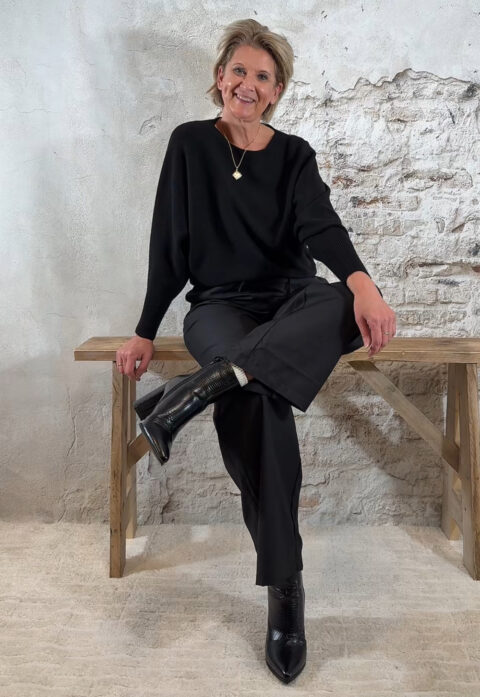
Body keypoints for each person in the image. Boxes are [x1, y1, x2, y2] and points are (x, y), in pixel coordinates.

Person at [116, 18, 396, 684]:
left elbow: (320, 225)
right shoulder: (190, 143)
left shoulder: (294, 155)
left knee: (341, 303)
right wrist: (145, 327)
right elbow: (169, 246)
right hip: (220, 308)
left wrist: (364, 286)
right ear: (220, 78)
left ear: (276, 92)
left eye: (262, 76)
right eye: (238, 70)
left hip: (291, 305)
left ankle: (196, 392)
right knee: (262, 404)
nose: (248, 83)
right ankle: (287, 589)